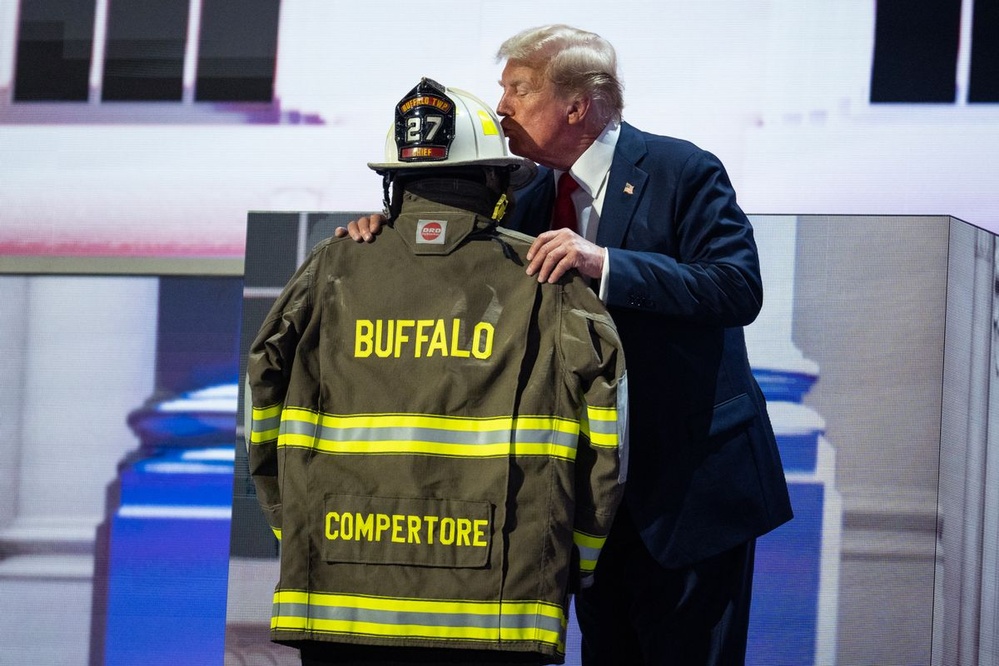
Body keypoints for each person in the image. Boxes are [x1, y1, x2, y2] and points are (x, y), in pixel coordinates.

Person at [339, 25, 793, 666]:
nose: (501, 109)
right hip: (582, 493)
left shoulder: (682, 169)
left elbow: (736, 287)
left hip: (687, 488)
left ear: (577, 105)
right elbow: (458, 282)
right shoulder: (518, 195)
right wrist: (382, 237)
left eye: (518, 91)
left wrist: (605, 262)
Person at [246, 77, 628, 666]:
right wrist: (573, 558)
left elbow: (263, 404)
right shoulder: (551, 283)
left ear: (393, 186)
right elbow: (608, 444)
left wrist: (296, 525)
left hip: (337, 601)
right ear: (496, 183)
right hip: (499, 615)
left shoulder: (329, 268)